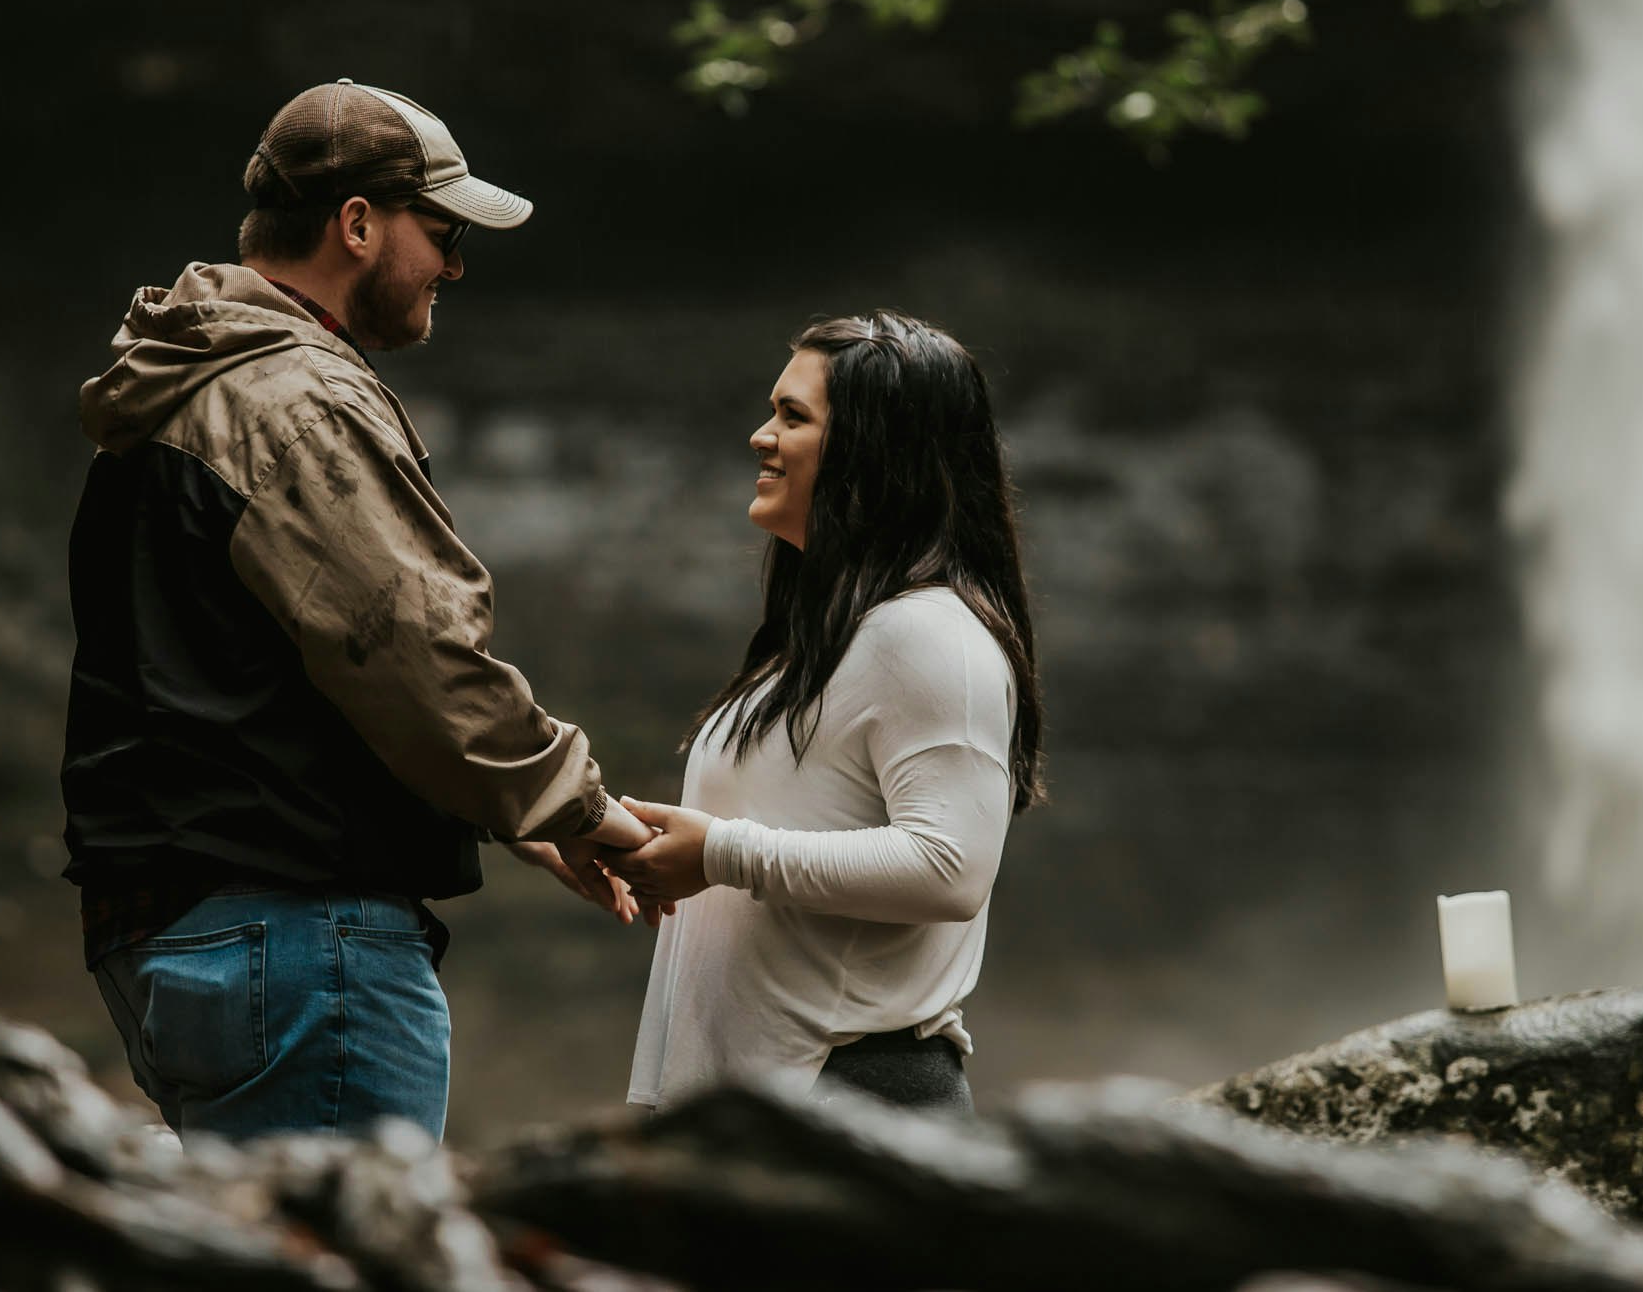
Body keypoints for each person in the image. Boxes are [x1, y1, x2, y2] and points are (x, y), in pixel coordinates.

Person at [59, 78, 652, 1144]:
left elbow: (283, 681)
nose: (454, 267)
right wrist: (583, 809)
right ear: (360, 225)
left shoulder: (176, 388)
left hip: (167, 936)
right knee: (356, 1237)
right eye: (443, 234)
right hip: (299, 943)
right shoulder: (296, 402)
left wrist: (509, 817)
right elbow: (413, 655)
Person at [612, 311, 1045, 1112]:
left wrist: (721, 853)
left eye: (793, 416)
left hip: (852, 1089)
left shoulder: (930, 634)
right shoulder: (823, 641)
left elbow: (950, 867)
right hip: (767, 1101)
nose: (761, 436)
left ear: (874, 449)